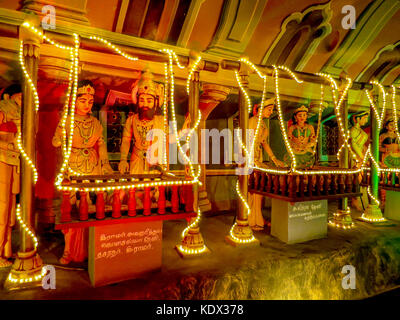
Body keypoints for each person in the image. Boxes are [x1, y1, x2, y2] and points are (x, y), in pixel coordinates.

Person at [52, 80, 113, 265]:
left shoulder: (95, 122)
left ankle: (84, 249)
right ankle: (68, 250)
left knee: (86, 207)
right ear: (73, 101)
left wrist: (105, 164)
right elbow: (55, 143)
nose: (87, 104)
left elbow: (101, 145)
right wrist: (61, 130)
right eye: (83, 100)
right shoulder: (67, 121)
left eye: (90, 101)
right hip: (72, 166)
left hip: (91, 166)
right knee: (69, 210)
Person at [119, 69, 189, 174]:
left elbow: (169, 139)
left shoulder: (161, 121)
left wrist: (183, 131)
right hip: (136, 160)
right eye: (142, 100)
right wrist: (123, 160)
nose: (145, 104)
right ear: (137, 101)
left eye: (149, 101)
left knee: (153, 189)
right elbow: (125, 141)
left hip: (155, 162)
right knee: (136, 188)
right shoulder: (132, 120)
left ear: (156, 103)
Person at [248, 98, 284, 231]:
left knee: (259, 191)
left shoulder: (263, 123)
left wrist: (274, 159)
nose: (271, 112)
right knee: (254, 191)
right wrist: (252, 160)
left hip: (259, 157)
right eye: (269, 109)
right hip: (251, 158)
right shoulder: (252, 121)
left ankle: (258, 218)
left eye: (272, 109)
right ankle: (252, 220)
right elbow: (248, 141)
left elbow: (264, 143)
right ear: (261, 109)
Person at [0, 84, 22, 268]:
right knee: (2, 207)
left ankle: (5, 250)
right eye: (20, 98)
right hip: (2, 159)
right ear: (8, 97)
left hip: (14, 161)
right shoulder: (3, 109)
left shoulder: (23, 114)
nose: (22, 103)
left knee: (10, 209)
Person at [349, 110, 369, 210]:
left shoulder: (361, 131)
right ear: (357, 119)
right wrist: (361, 156)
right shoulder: (353, 130)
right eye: (364, 118)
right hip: (355, 156)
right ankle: (355, 199)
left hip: (361, 155)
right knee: (356, 178)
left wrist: (366, 155)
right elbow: (353, 144)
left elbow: (362, 145)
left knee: (361, 178)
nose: (366, 120)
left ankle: (361, 199)